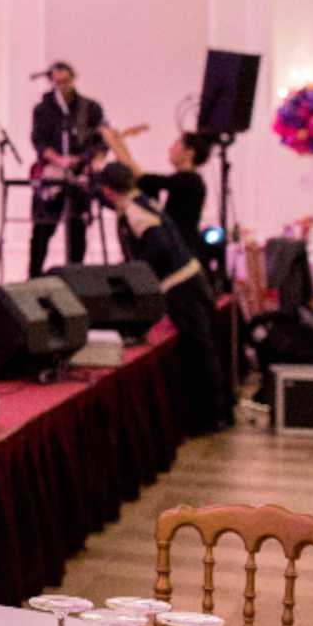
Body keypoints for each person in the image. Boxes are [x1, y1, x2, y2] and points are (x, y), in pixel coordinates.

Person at [98, 162, 233, 434]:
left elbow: (158, 246)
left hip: (181, 285)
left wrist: (138, 274)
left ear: (108, 191)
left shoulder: (134, 210)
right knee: (205, 348)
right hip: (191, 278)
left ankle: (212, 418)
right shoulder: (142, 200)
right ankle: (219, 412)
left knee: (200, 351)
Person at [28, 61, 107, 277]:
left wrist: (86, 161)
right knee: (43, 228)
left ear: (73, 79)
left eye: (66, 82)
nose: (63, 87)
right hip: (52, 174)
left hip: (78, 174)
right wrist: (58, 160)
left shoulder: (90, 108)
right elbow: (38, 141)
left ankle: (76, 277)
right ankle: (34, 277)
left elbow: (102, 141)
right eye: (58, 83)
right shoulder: (43, 109)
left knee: (77, 228)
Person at [104, 126, 210, 243]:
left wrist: (114, 142)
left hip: (182, 248)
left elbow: (142, 178)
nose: (170, 149)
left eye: (176, 144)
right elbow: (143, 179)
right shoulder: (188, 180)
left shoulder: (190, 180)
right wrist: (120, 143)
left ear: (189, 153)